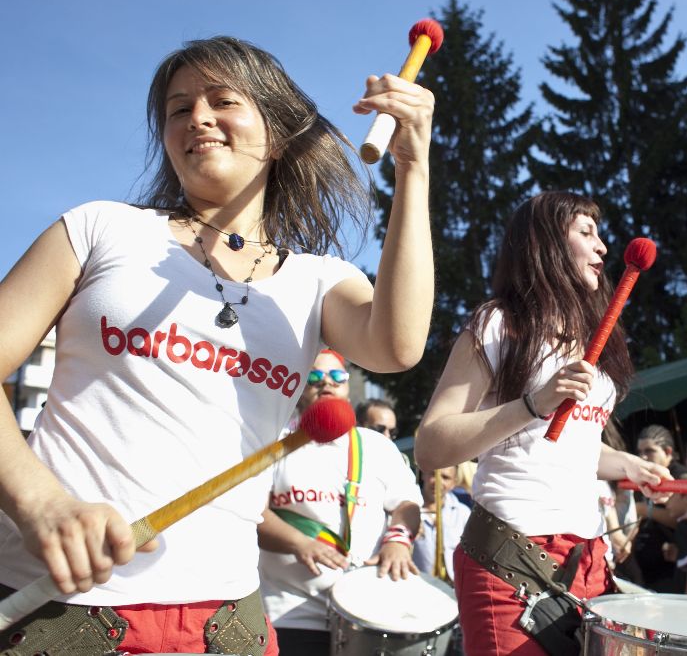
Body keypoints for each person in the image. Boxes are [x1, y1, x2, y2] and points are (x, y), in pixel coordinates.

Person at [0, 36, 434, 655]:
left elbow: (397, 346)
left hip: (226, 620)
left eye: (222, 100)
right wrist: (40, 503)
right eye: (178, 109)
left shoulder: (318, 279)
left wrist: (413, 165)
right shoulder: (101, 228)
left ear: (279, 135)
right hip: (58, 607)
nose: (197, 117)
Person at [414, 192, 670, 656]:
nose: (603, 248)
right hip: (511, 553)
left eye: (600, 234)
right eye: (586, 232)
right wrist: (535, 402)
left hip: (589, 556)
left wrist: (628, 465)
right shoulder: (499, 323)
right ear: (547, 243)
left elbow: (567, 446)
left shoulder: (597, 341)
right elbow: (431, 445)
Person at [257, 350, 422, 656]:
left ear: (346, 386)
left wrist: (398, 541)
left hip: (367, 616)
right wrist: (300, 544)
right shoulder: (273, 443)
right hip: (290, 615)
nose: (326, 383)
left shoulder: (376, 446)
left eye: (337, 377)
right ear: (299, 386)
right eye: (314, 377)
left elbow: (408, 504)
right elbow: (252, 514)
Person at [632, 424, 687, 591]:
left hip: (674, 573)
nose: (643, 457)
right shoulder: (645, 477)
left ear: (668, 452)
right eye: (640, 452)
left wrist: (644, 510)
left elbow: (684, 519)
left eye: (649, 451)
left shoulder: (682, 478)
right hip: (646, 573)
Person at [412, 465, 471, 580]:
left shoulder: (463, 513)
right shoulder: (407, 508)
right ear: (423, 474)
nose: (438, 482)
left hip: (454, 589)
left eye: (445, 477)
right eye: (433, 475)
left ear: (454, 483)